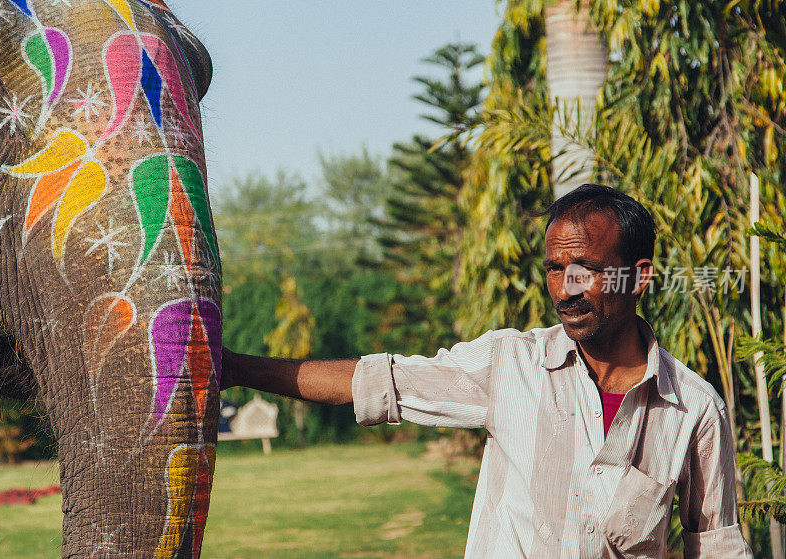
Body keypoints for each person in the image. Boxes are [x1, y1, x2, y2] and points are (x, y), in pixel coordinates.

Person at [220, 183, 752, 558]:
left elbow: (716, 542)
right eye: (553, 270)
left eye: (585, 270)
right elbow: (378, 383)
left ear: (638, 277)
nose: (565, 290)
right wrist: (234, 368)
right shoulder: (509, 366)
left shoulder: (694, 408)